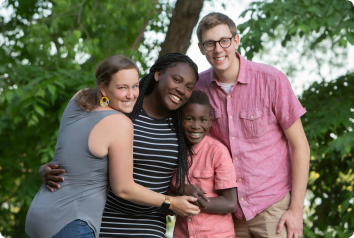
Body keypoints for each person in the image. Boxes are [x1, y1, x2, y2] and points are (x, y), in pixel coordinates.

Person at [26, 55, 200, 238]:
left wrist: (180, 192)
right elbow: (118, 183)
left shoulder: (183, 124)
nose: (131, 94)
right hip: (101, 222)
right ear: (157, 75)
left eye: (189, 87)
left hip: (148, 226)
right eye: (176, 79)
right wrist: (171, 202)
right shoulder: (121, 115)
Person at [190, 12, 310, 238]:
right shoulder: (197, 88)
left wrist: (296, 209)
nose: (218, 49)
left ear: (236, 40)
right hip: (226, 212)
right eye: (210, 43)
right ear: (201, 48)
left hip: (272, 207)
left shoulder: (271, 80)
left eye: (224, 41)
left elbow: (301, 146)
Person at [170, 90, 238, 238]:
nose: (196, 126)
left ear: (210, 121)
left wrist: (192, 199)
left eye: (202, 119)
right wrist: (181, 190)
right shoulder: (173, 151)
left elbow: (230, 203)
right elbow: (168, 200)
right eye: (189, 118)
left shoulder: (217, 152)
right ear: (180, 119)